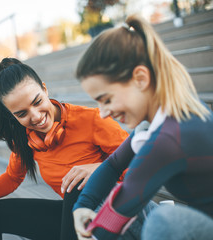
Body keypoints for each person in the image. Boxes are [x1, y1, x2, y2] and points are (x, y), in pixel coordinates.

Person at [72, 13, 213, 240]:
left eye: (106, 99)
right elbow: (112, 165)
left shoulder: (169, 137)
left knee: (161, 221)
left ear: (140, 78)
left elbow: (115, 216)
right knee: (103, 197)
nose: (103, 112)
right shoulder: (163, 118)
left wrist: (90, 234)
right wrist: (81, 206)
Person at [0, 57, 133, 240]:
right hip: (72, 219)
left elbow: (140, 163)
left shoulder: (92, 119)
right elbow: (13, 176)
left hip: (113, 214)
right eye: (22, 114)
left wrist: (99, 169)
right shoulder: (26, 136)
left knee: (76, 183)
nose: (36, 117)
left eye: (37, 102)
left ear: (45, 89)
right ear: (12, 115)